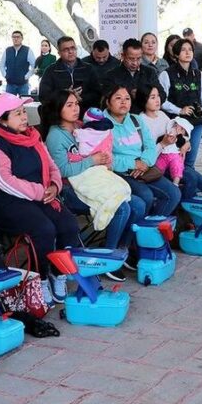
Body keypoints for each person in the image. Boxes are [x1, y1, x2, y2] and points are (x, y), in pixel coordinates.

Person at [0, 93, 81, 302]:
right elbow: (3, 181)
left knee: (68, 224)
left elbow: (51, 165)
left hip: (41, 196)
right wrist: (40, 191)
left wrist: (54, 185)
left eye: (24, 112)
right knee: (44, 229)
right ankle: (39, 279)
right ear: (2, 119)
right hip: (7, 203)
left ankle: (57, 273)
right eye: (18, 114)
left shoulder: (32, 136)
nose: (24, 117)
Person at [41, 89, 141, 278]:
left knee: (137, 204)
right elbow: (62, 170)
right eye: (69, 105)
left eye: (76, 104)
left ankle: (121, 249)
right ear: (57, 109)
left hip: (95, 179)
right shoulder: (55, 136)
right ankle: (108, 259)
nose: (75, 108)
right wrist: (93, 160)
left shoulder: (83, 125)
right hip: (69, 188)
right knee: (122, 208)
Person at [104, 83, 182, 216]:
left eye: (127, 98)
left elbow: (150, 146)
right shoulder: (101, 125)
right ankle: (133, 234)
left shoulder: (136, 120)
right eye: (118, 98)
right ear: (108, 102)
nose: (123, 102)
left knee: (174, 193)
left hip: (144, 169)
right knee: (146, 196)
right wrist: (133, 164)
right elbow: (104, 158)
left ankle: (150, 230)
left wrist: (144, 163)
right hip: (119, 173)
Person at [159, 38, 202, 168]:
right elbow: (161, 101)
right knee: (176, 157)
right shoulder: (167, 74)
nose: (187, 52)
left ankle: (189, 184)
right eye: (183, 50)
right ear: (176, 54)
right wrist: (179, 110)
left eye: (190, 50)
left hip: (196, 122)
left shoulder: (198, 74)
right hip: (177, 123)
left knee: (190, 159)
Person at [138, 84, 191, 186]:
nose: (157, 100)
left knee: (201, 182)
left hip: (172, 157)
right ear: (144, 100)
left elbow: (179, 134)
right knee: (190, 180)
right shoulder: (141, 121)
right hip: (157, 164)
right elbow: (147, 151)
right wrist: (163, 143)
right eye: (152, 97)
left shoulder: (162, 115)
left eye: (158, 96)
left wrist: (186, 145)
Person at [38, 36, 89, 103]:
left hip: (84, 111)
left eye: (73, 48)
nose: (70, 52)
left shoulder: (88, 69)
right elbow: (43, 96)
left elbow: (97, 93)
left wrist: (81, 98)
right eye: (66, 49)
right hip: (59, 111)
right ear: (59, 53)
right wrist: (64, 95)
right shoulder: (51, 71)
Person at [1, 30, 35, 95]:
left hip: (23, 85)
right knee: (10, 104)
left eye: (18, 37)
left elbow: (34, 66)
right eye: (14, 37)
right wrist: (5, 75)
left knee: (24, 104)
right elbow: (1, 65)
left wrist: (26, 76)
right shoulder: (7, 50)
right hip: (10, 85)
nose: (16, 39)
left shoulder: (27, 50)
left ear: (22, 38)